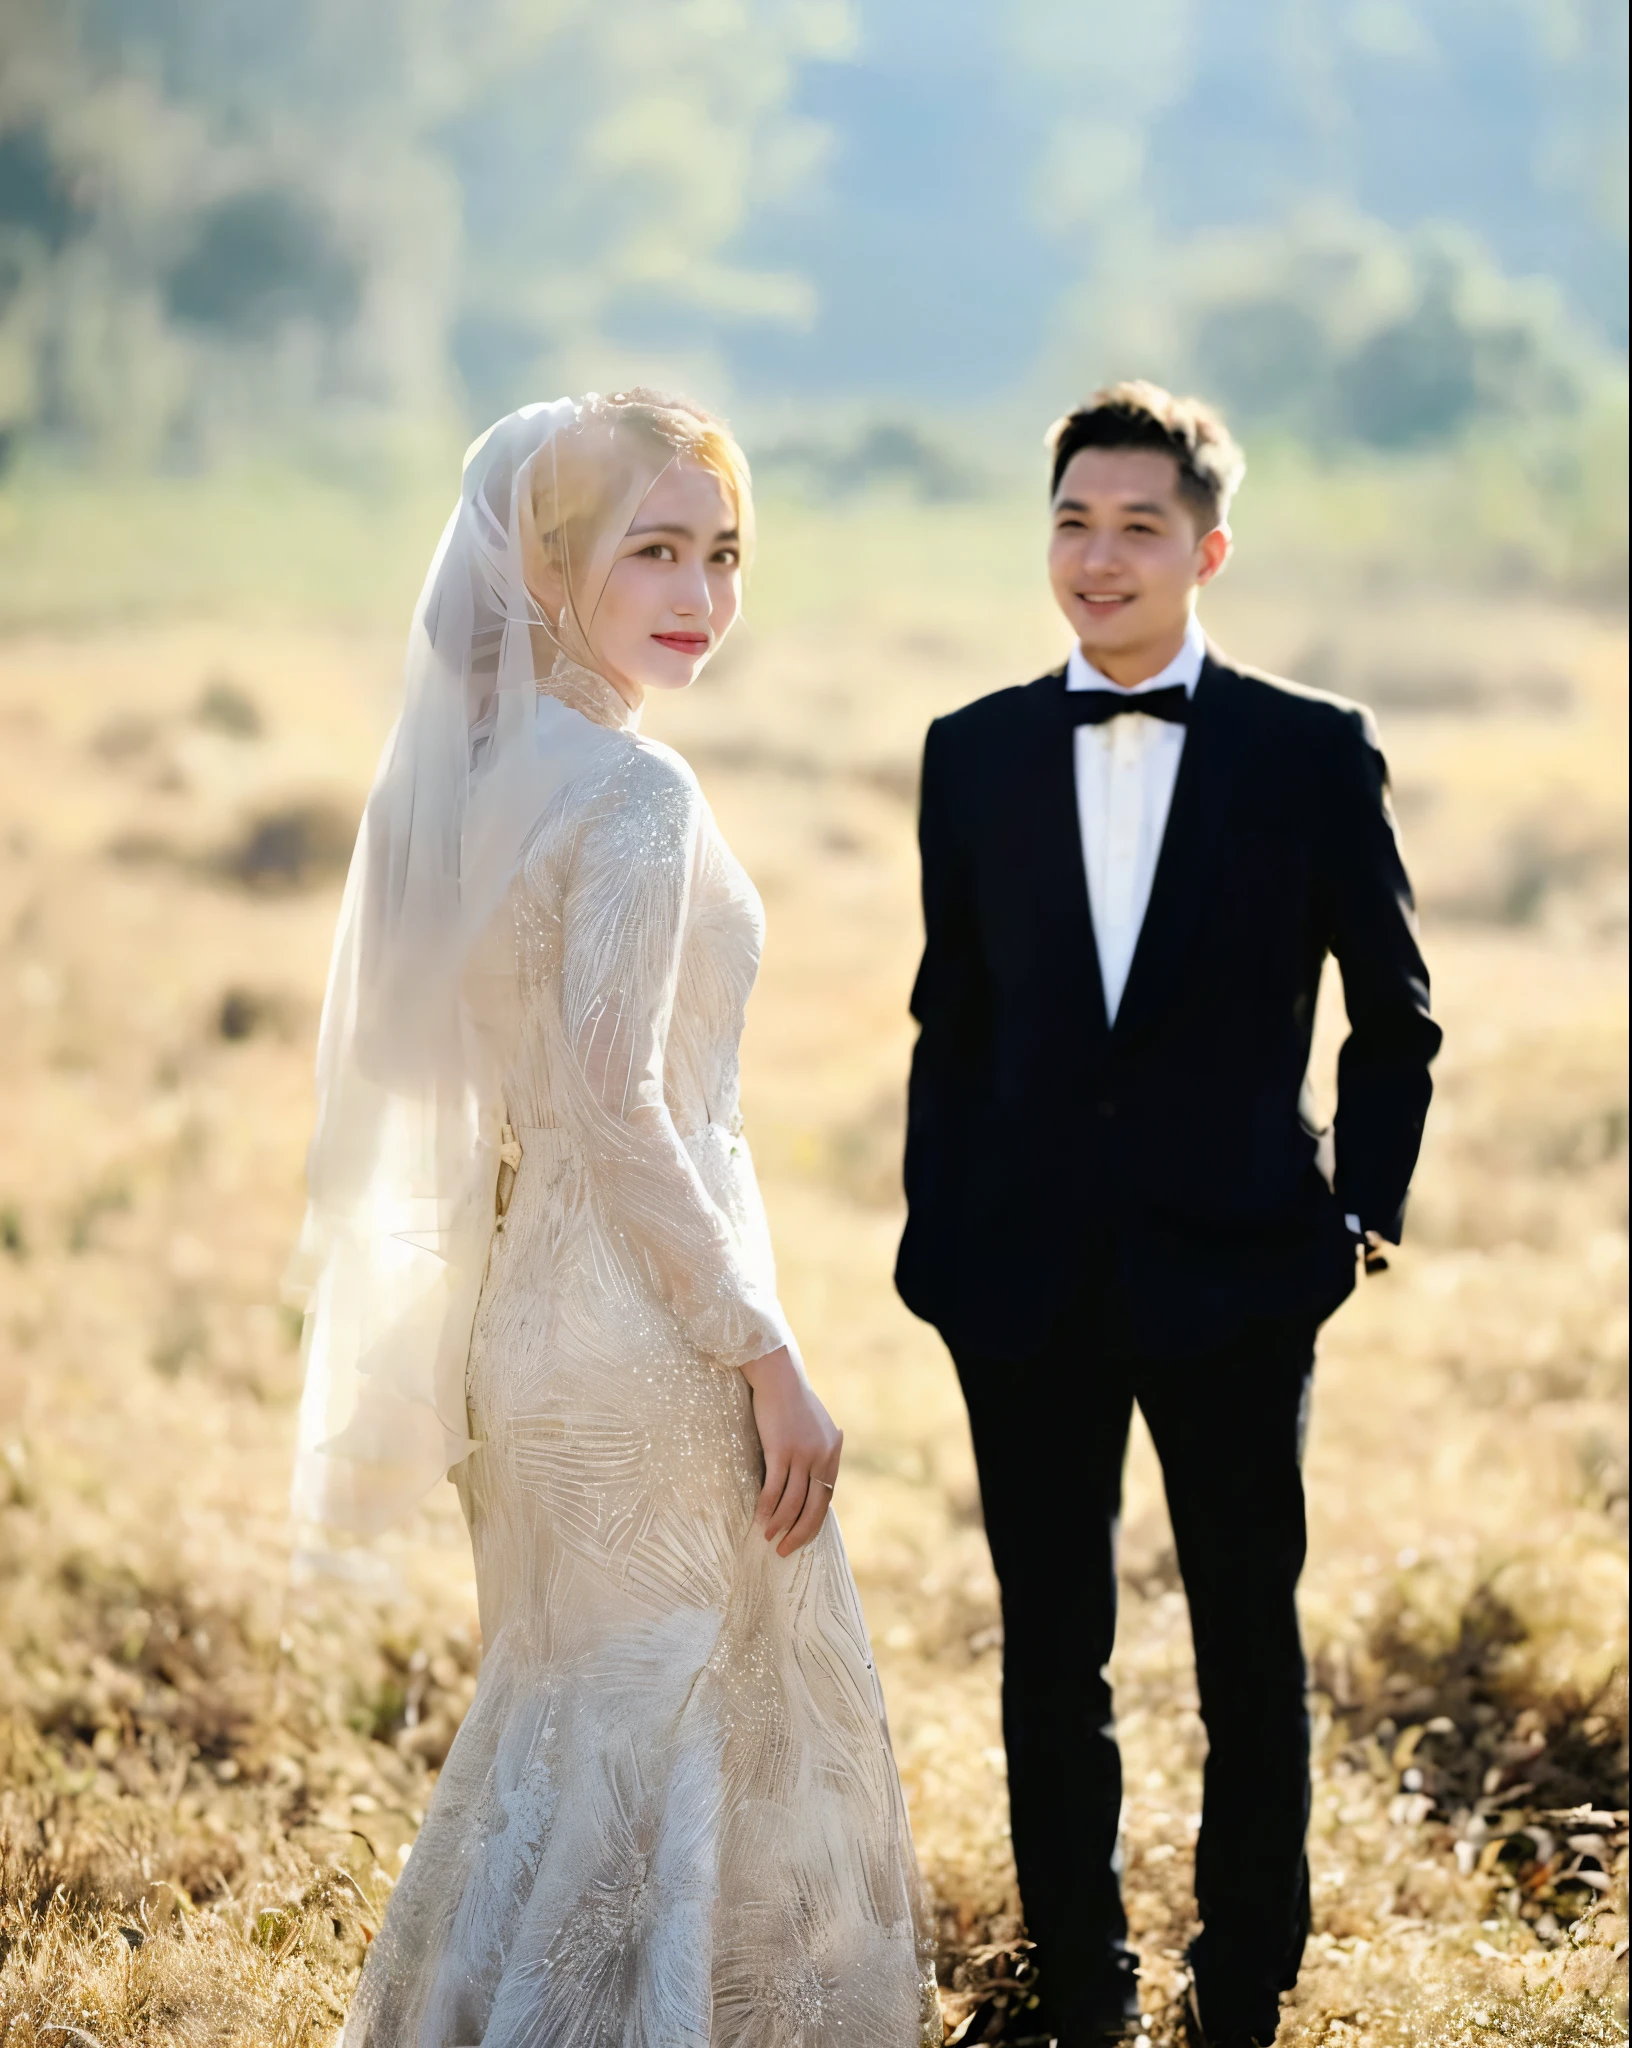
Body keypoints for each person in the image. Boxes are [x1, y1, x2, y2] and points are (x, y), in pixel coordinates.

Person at [289, 392, 939, 2046]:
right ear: (549, 558)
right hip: (651, 1337)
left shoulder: (475, 778)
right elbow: (618, 1101)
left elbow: (443, 1066)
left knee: (569, 1726)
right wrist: (765, 1347)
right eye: (655, 551)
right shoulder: (635, 796)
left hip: (528, 1325)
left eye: (722, 556)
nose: (700, 598)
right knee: (678, 1726)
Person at [895, 382, 1441, 2048]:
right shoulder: (973, 752)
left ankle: (1245, 1984)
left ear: (1208, 549)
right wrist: (939, 1247)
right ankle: (1081, 1981)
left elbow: (1395, 1011)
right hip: (1024, 1285)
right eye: (1072, 520)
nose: (1099, 554)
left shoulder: (1312, 751)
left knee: (1245, 1652)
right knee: (1050, 1656)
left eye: (1138, 525)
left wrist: (1360, 1220)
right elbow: (953, 1020)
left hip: (1242, 1274)